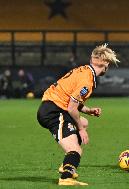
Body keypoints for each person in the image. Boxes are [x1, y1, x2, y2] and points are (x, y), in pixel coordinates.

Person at [37, 44, 119, 185]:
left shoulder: (84, 70)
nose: (108, 66)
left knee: (84, 122)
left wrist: (88, 110)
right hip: (54, 111)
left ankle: (67, 165)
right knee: (75, 149)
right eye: (109, 63)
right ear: (105, 63)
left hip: (53, 107)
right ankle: (66, 177)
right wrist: (81, 130)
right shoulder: (87, 81)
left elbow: (71, 98)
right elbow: (71, 108)